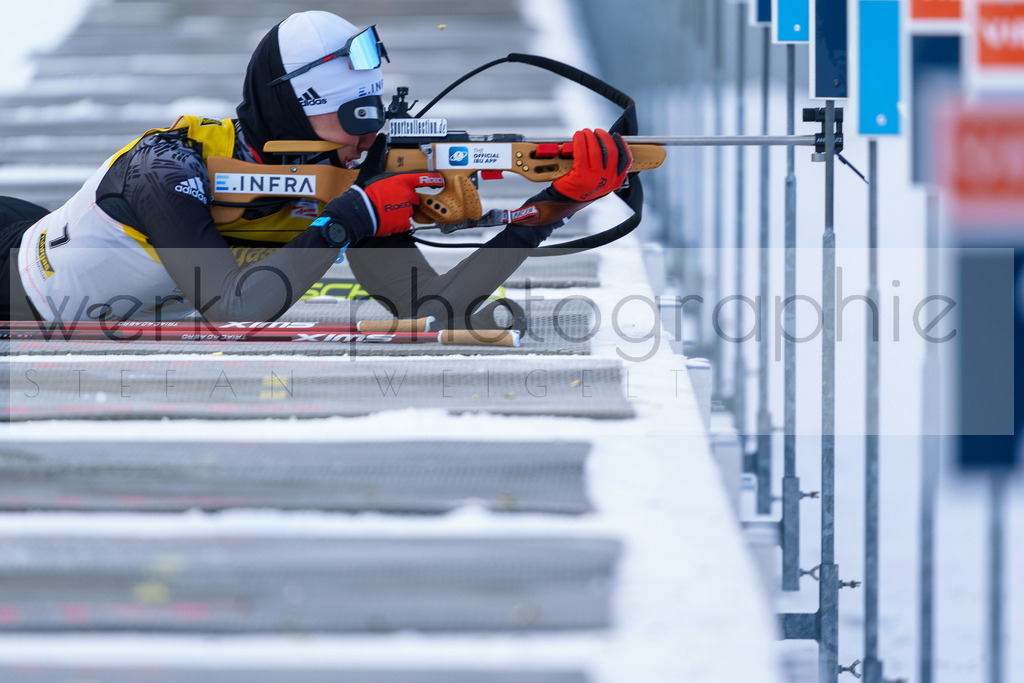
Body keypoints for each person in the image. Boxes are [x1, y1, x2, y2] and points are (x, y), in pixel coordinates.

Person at [1, 10, 630, 326]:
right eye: (353, 116)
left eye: (377, 112)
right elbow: (233, 309)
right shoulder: (166, 166)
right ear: (291, 111)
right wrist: (343, 222)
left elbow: (431, 307)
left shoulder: (351, 172)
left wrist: (552, 206)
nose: (370, 135)